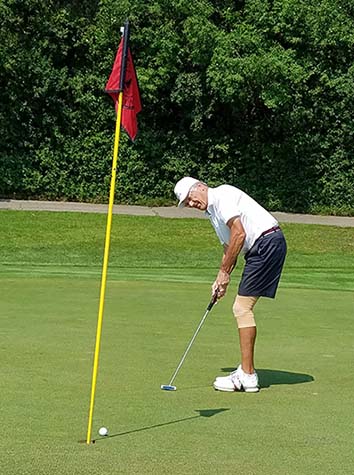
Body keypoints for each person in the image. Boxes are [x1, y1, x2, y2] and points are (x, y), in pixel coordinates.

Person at [174, 177, 287, 393]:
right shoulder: (214, 215)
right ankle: (246, 371)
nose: (190, 204)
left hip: (266, 244)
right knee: (241, 307)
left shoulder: (222, 195)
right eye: (186, 203)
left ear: (200, 187)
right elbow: (230, 247)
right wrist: (221, 279)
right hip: (262, 248)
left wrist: (226, 273)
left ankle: (248, 376)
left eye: (190, 198)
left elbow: (240, 233)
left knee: (242, 308)